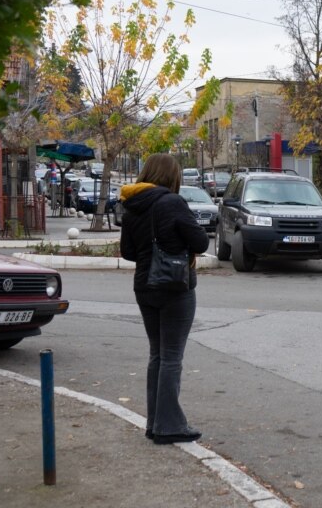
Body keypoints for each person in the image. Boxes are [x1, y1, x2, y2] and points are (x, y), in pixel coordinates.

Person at [119, 154, 210, 445]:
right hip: (175, 287)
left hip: (144, 286)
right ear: (171, 176)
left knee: (157, 355)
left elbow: (128, 252)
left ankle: (155, 423)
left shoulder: (132, 204)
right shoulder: (172, 202)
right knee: (172, 357)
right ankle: (169, 427)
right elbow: (200, 242)